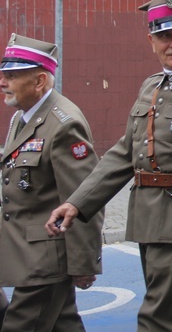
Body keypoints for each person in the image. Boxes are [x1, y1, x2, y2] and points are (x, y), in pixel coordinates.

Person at [45, 0, 172, 330]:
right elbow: (125, 152)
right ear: (151, 41)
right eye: (165, 36)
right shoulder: (152, 86)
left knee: (162, 320)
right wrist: (77, 203)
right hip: (148, 221)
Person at [0, 34, 103, 331]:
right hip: (27, 253)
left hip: (45, 260)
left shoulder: (63, 123)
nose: (3, 82)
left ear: (39, 81)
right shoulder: (24, 117)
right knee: (64, 325)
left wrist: (84, 264)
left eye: (12, 76)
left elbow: (84, 197)